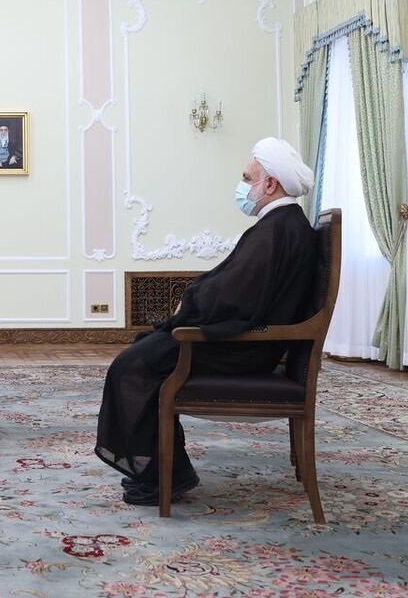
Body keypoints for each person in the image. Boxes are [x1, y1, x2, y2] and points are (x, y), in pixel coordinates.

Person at [95, 137, 320, 505]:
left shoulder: (279, 228)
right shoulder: (282, 224)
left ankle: (165, 476)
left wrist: (189, 304)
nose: (242, 186)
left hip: (244, 349)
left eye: (246, 178)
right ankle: (167, 469)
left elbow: (235, 295)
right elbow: (237, 286)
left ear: (270, 184)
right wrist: (194, 300)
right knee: (143, 351)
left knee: (132, 368)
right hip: (247, 340)